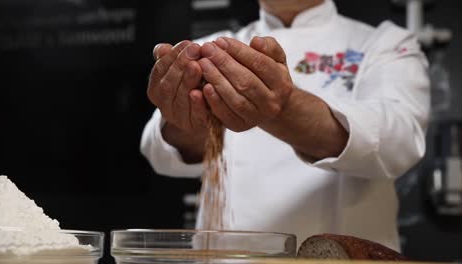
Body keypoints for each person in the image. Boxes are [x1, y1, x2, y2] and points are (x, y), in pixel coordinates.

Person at [140, 0, 430, 251]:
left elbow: (398, 140)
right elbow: (160, 150)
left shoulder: (385, 44)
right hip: (226, 256)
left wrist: (283, 108)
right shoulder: (212, 47)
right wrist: (189, 113)